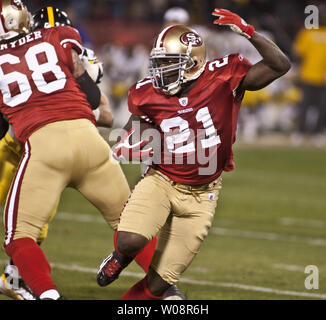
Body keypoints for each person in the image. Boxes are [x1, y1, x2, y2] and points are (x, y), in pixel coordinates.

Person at [97, 8, 290, 299]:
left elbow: (279, 65)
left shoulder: (225, 76)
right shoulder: (147, 92)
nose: (160, 72)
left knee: (160, 284)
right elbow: (137, 123)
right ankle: (121, 257)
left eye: (169, 63)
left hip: (204, 194)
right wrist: (130, 140)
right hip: (162, 179)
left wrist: (250, 32)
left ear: (194, 63)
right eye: (158, 63)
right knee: (129, 241)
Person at [0, 1, 156, 300]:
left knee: (18, 236)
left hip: (43, 146)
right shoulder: (59, 36)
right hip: (91, 141)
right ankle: (168, 291)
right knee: (129, 223)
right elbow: (94, 96)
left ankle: (45, 294)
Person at [292, 3, 326, 147]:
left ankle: (318, 133)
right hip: (306, 75)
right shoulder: (306, 33)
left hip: (323, 78)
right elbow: (298, 54)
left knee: (322, 107)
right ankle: (300, 132)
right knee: (304, 106)